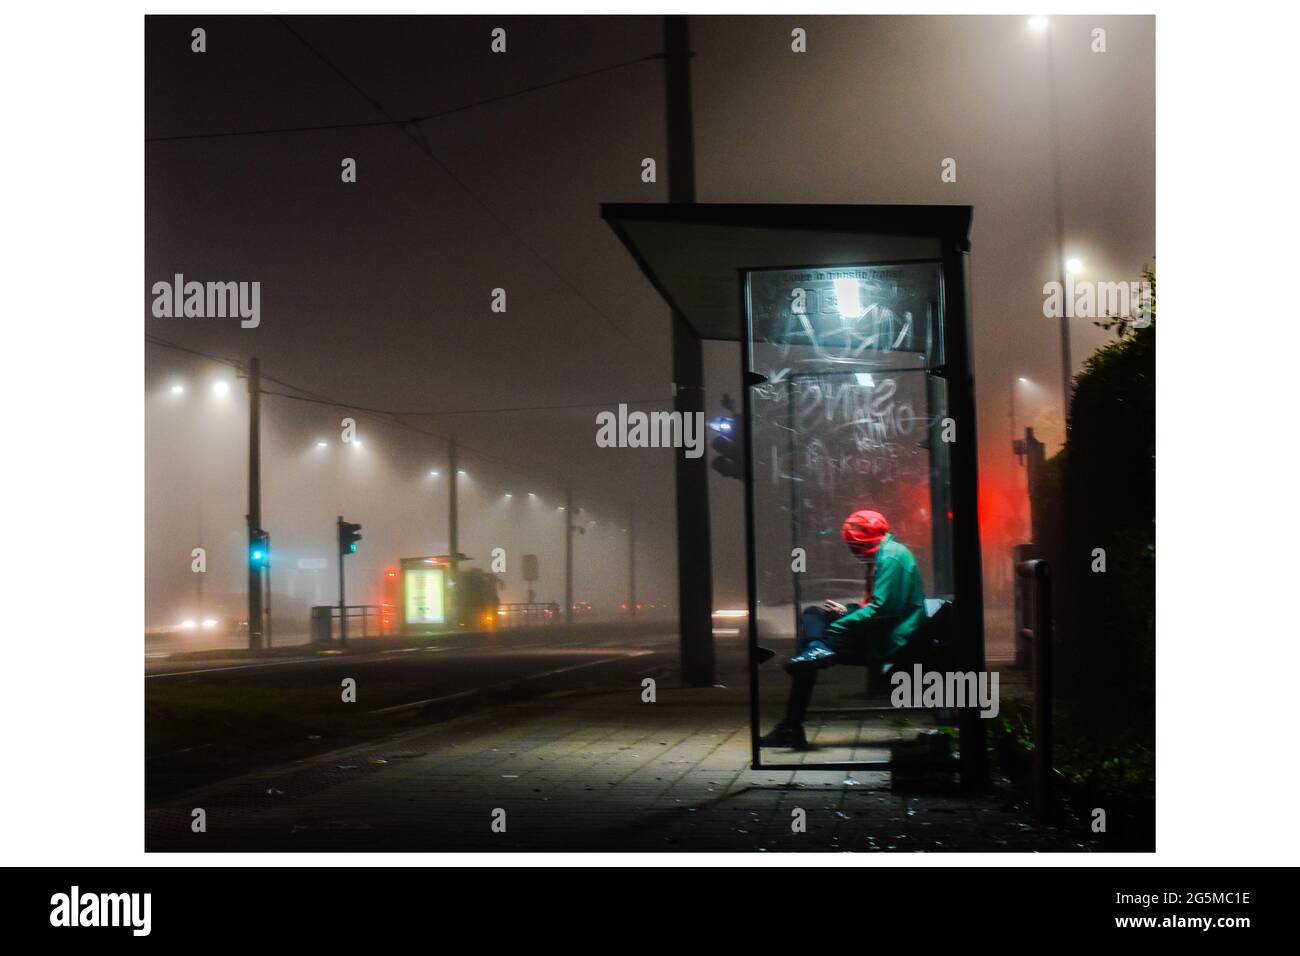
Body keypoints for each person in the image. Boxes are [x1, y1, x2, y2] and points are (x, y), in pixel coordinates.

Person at [759, 509, 926, 750]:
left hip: (889, 638)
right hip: (882, 631)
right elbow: (878, 606)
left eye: (854, 546)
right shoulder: (887, 554)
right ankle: (815, 650)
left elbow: (882, 610)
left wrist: (840, 624)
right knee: (813, 614)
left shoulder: (890, 559)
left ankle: (792, 723)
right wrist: (847, 611)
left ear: (863, 540)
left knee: (812, 644)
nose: (853, 552)